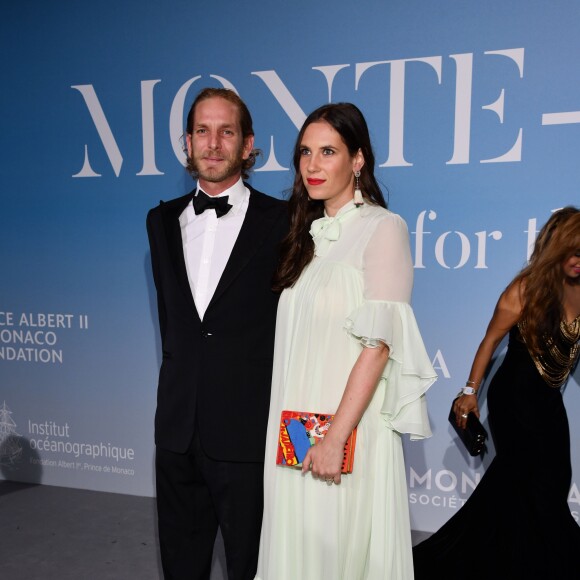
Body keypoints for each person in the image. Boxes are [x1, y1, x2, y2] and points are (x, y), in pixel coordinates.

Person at [254, 103, 437, 580]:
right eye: (304, 153)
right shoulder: (306, 236)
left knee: (336, 550)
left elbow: (378, 347)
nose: (312, 165)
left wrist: (336, 437)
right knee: (297, 545)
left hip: (344, 428)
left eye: (328, 152)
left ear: (357, 160)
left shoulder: (383, 228)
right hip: (295, 424)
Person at [146, 87, 288, 580]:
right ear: (187, 143)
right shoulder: (160, 221)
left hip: (249, 432)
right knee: (181, 565)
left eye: (226, 131)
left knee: (251, 566)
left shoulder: (286, 221)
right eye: (202, 132)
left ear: (248, 145)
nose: (212, 143)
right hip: (177, 428)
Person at [413, 206, 580, 579]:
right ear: (556, 249)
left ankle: (516, 555)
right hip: (514, 397)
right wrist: (470, 392)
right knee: (527, 482)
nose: (577, 261)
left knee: (549, 479)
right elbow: (490, 341)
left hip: (549, 397)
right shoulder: (525, 290)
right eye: (573, 252)